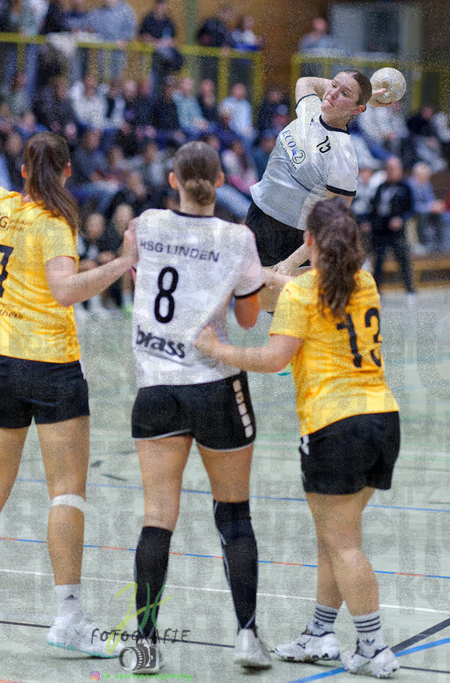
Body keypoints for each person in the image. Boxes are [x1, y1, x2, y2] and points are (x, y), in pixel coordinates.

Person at [0, 49, 137, 656]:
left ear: (21, 169)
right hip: (51, 367)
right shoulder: (55, 223)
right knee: (66, 493)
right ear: (66, 173)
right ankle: (68, 618)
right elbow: (66, 290)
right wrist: (122, 263)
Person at [195, 197, 400, 678]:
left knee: (343, 543)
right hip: (383, 421)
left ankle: (373, 648)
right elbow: (291, 285)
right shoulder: (365, 283)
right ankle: (321, 633)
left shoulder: (302, 295)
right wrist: (277, 272)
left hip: (335, 426)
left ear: (310, 242)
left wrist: (217, 348)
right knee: (336, 537)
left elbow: (272, 359)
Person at [128, 140, 269, 673]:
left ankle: (144, 644)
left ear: (172, 180)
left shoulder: (146, 225)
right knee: (233, 515)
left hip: (156, 388)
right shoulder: (238, 238)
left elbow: (136, 275)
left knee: (157, 518)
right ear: (220, 180)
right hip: (215, 386)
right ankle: (248, 637)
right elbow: (251, 319)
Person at [246, 71, 385, 309]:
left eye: (344, 93)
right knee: (240, 295)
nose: (332, 93)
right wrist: (365, 95)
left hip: (290, 237)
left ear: (356, 110)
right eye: (333, 85)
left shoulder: (343, 157)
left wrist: (291, 262)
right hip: (258, 217)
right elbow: (305, 82)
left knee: (289, 320)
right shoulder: (310, 108)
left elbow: (332, 221)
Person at [367, 157, 415, 294]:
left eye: (393, 168)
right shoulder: (381, 187)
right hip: (380, 229)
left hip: (396, 231)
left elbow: (412, 209)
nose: (390, 171)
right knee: (379, 260)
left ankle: (410, 289)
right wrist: (370, 222)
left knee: (402, 259)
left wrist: (401, 219)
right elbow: (374, 207)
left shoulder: (406, 187)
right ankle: (376, 291)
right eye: (388, 168)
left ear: (399, 170)